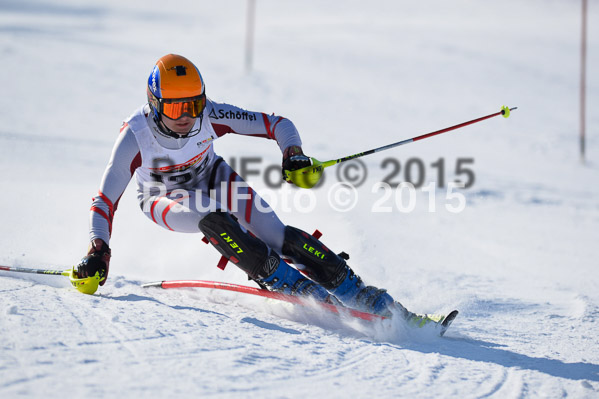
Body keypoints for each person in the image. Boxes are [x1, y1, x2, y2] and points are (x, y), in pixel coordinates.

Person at [76, 54, 410, 317]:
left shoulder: (211, 114)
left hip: (214, 177)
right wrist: (98, 251)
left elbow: (278, 124)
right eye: (176, 107)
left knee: (280, 236)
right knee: (215, 219)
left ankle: (361, 294)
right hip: (162, 198)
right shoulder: (135, 135)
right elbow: (105, 199)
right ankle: (291, 285)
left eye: (193, 105)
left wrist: (292, 154)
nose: (187, 116)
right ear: (154, 104)